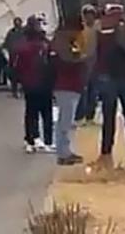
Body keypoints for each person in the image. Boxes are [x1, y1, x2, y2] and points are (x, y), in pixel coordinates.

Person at [96, 4, 125, 168]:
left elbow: (98, 51)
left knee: (109, 117)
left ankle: (106, 155)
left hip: (111, 77)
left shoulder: (104, 28)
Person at [13, 15, 54, 154]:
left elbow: (16, 66)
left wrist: (18, 82)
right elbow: (53, 64)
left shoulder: (22, 46)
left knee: (31, 113)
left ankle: (30, 140)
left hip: (30, 84)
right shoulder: (46, 45)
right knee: (46, 113)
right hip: (45, 83)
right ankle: (48, 141)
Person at [52, 17, 87, 165]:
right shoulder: (63, 43)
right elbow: (68, 62)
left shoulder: (61, 41)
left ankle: (64, 151)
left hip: (68, 86)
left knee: (65, 121)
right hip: (66, 86)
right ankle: (63, 153)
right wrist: (82, 59)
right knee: (65, 122)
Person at [74, 5, 100, 124]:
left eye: (91, 15)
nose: (89, 18)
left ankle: (90, 116)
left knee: (93, 92)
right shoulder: (80, 30)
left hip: (96, 64)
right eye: (87, 15)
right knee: (82, 92)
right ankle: (80, 116)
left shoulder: (98, 29)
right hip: (82, 64)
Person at [4, 17, 24, 97]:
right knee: (14, 73)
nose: (17, 24)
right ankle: (14, 91)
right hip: (13, 55)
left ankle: (22, 90)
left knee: (23, 74)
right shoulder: (11, 32)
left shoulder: (24, 32)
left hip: (22, 56)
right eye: (16, 22)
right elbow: (7, 43)